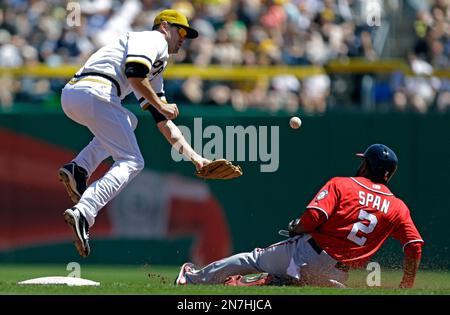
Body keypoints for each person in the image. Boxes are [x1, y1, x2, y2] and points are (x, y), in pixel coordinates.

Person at [58, 9, 210, 258]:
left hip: (76, 94)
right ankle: (85, 210)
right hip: (97, 92)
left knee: (130, 121)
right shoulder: (154, 40)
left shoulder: (156, 64)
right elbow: (135, 74)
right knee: (132, 161)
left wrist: (196, 157)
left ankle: (79, 168)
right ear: (164, 26)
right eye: (180, 31)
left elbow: (162, 122)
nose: (184, 37)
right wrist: (161, 105)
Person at [175, 144, 424, 288]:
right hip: (338, 274)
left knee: (255, 257)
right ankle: (266, 281)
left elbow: (314, 217)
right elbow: (414, 245)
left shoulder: (343, 185)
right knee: (290, 280)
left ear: (365, 166)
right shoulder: (398, 207)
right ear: (389, 175)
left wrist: (298, 227)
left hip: (308, 253)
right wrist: (407, 282)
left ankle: (193, 279)